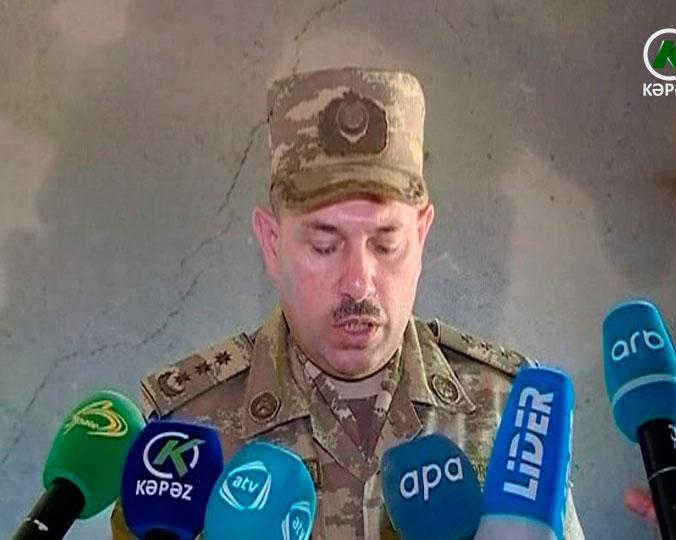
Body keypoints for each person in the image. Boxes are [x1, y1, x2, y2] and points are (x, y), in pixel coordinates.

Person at [111, 66, 589, 539]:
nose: (359, 283)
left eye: (386, 244)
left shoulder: (513, 414)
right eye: (325, 246)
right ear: (272, 244)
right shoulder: (185, 432)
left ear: (421, 237)